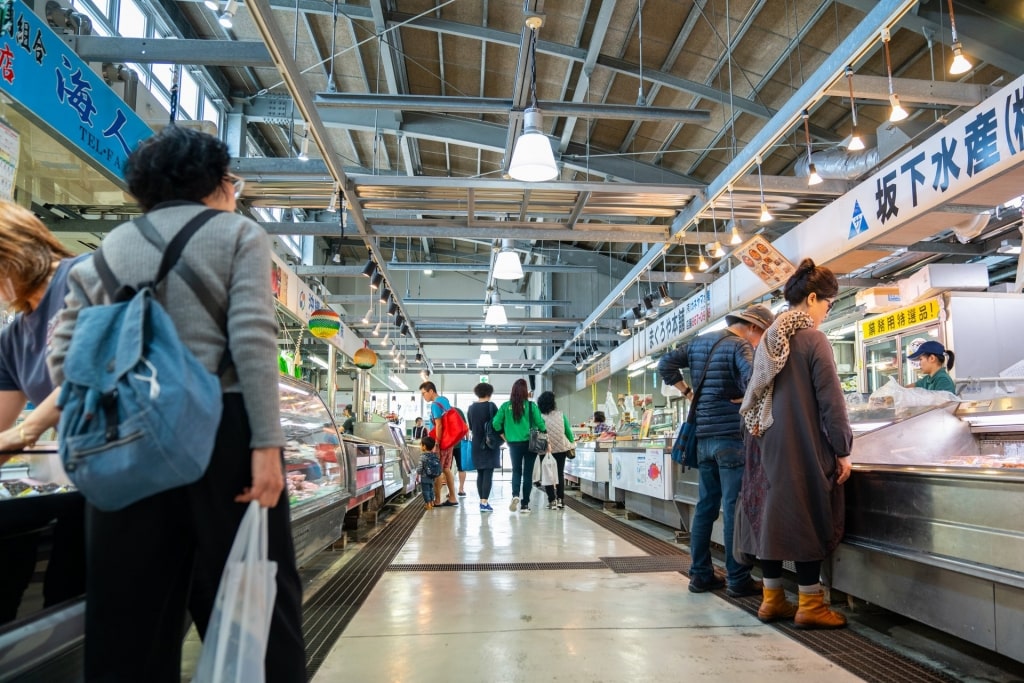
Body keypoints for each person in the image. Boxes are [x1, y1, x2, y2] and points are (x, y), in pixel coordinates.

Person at [47, 126, 305, 679]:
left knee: (129, 615)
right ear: (214, 181)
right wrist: (267, 446)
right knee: (253, 602)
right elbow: (253, 342)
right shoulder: (236, 235)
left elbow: (64, 359)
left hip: (126, 441)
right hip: (224, 435)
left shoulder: (104, 254)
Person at [737, 258, 853, 630]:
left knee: (769, 519)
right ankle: (810, 605)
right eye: (828, 304)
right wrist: (843, 448)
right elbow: (831, 400)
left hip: (762, 445)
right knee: (807, 517)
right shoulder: (812, 339)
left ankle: (772, 599)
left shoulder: (769, 339)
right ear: (814, 298)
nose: (826, 312)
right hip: (800, 447)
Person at [0, 201, 87, 624]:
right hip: (79, 486)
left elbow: (96, 362)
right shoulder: (13, 337)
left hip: (140, 480)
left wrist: (27, 430)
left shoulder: (86, 277)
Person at [658, 303, 774, 597]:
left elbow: (665, 364)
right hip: (731, 440)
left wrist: (688, 392)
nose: (758, 342)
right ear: (753, 328)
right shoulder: (740, 347)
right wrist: (745, 399)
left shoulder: (698, 343)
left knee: (705, 506)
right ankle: (737, 578)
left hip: (704, 438)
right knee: (734, 508)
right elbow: (755, 380)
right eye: (761, 336)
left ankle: (700, 575)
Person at [493, 378, 546, 513]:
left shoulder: (506, 406)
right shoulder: (531, 406)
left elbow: (495, 423)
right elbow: (541, 424)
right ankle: (525, 505)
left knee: (516, 470)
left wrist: (504, 436)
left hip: (513, 443)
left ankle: (515, 495)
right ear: (525, 392)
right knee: (528, 474)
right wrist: (544, 434)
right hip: (531, 442)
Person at [419, 381, 458, 507]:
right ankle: (452, 497)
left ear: (431, 391)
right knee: (446, 469)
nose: (423, 396)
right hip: (449, 441)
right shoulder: (444, 400)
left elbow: (439, 425)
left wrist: (436, 443)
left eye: (423, 393)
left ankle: (437, 500)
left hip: (441, 442)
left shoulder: (435, 405)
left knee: (437, 471)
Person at [537, 391, 575, 510]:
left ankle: (552, 500)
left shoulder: (539, 416)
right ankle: (560, 499)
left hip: (545, 449)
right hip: (560, 449)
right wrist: (572, 442)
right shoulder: (561, 415)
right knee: (559, 473)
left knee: (548, 475)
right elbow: (568, 431)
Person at [467, 382, 501, 512]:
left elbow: (470, 426)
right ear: (489, 393)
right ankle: (484, 502)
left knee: (480, 473)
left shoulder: (471, 408)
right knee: (488, 473)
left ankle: (482, 501)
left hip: (476, 443)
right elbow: (497, 425)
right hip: (489, 443)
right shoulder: (491, 406)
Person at [418, 435, 441, 510]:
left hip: (425, 477)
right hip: (432, 477)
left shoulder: (423, 456)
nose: (420, 446)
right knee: (431, 490)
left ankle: (428, 504)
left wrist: (417, 474)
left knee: (425, 491)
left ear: (424, 446)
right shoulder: (434, 455)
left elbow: (420, 467)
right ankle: (432, 502)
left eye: (421, 445)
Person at [452, 405, 469, 496]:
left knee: (446, 469)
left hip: (448, 445)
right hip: (460, 444)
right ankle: (461, 489)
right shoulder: (458, 410)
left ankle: (450, 491)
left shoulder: (443, 411)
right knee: (461, 468)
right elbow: (466, 427)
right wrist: (467, 440)